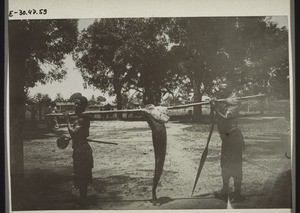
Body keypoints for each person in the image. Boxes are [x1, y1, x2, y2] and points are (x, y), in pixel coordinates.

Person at [209, 82, 245, 203]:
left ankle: (237, 193)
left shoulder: (234, 102)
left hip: (234, 138)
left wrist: (215, 107)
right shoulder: (222, 102)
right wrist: (213, 105)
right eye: (219, 90)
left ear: (228, 90)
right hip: (225, 139)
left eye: (223, 89)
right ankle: (225, 190)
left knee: (236, 166)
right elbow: (215, 117)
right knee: (224, 165)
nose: (221, 92)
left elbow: (225, 117)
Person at [64, 96, 93, 207]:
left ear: (83, 106)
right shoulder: (78, 118)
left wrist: (66, 119)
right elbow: (76, 135)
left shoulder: (83, 119)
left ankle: (83, 201)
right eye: (75, 103)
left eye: (78, 104)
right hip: (78, 149)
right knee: (80, 175)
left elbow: (74, 133)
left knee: (83, 176)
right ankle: (82, 199)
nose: (75, 105)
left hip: (83, 150)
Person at [141, 104, 169, 204]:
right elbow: (144, 112)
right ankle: (153, 192)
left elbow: (165, 116)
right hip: (159, 140)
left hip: (161, 138)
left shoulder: (158, 117)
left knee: (160, 164)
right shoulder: (151, 117)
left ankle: (154, 191)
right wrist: (147, 110)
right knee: (159, 163)